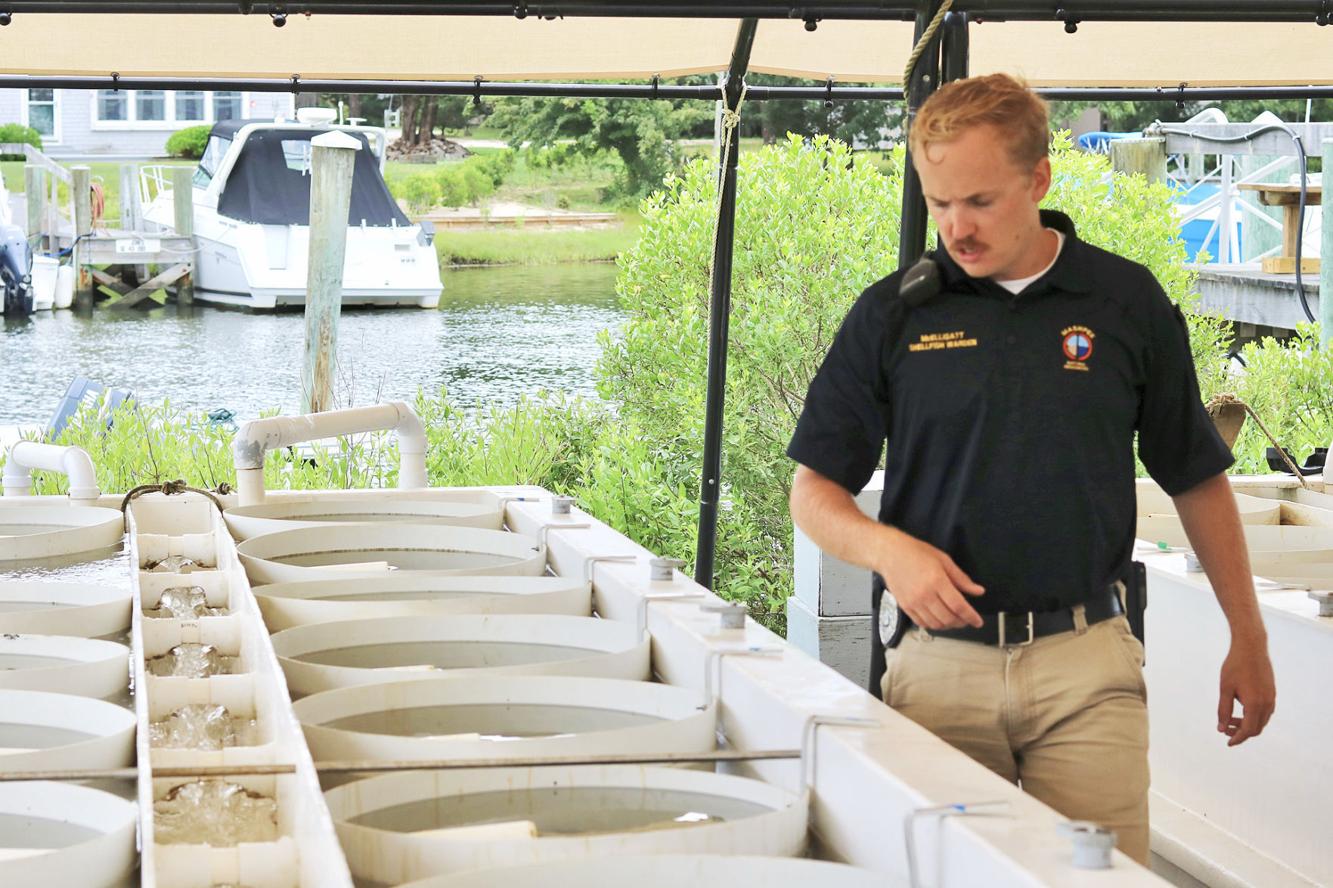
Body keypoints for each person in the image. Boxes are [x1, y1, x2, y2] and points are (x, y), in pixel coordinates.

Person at [785, 73, 1276, 866]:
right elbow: (813, 493)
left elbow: (1193, 476)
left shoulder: (1124, 301)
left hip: (1087, 665)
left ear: (1039, 179)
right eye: (938, 204)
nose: (955, 228)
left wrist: (1246, 637)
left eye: (979, 201)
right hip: (936, 668)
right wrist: (887, 551)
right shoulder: (893, 314)